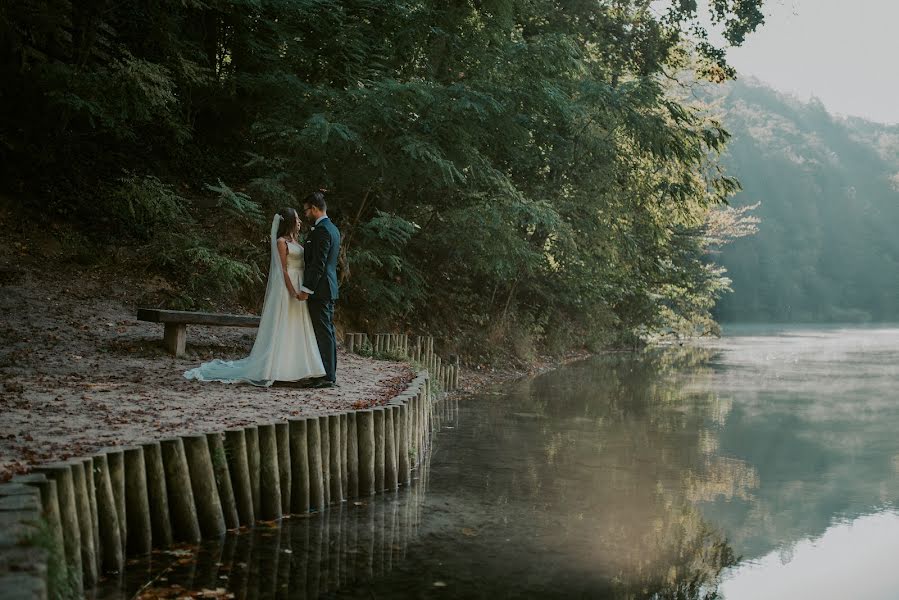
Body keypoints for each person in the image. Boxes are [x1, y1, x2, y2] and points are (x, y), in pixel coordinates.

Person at [183, 208, 326, 386]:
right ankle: (277, 368)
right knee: (284, 325)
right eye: (296, 219)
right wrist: (292, 291)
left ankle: (298, 367)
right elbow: (282, 269)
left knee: (297, 325)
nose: (300, 221)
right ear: (289, 221)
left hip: (299, 284)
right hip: (287, 288)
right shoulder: (281, 242)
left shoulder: (297, 241)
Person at [296, 190, 340, 388]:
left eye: (306, 210)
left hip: (321, 290)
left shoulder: (322, 230)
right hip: (327, 288)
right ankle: (325, 373)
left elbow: (318, 264)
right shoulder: (333, 228)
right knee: (326, 331)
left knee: (323, 333)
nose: (305, 214)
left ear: (314, 208)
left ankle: (327, 377)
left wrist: (307, 288)